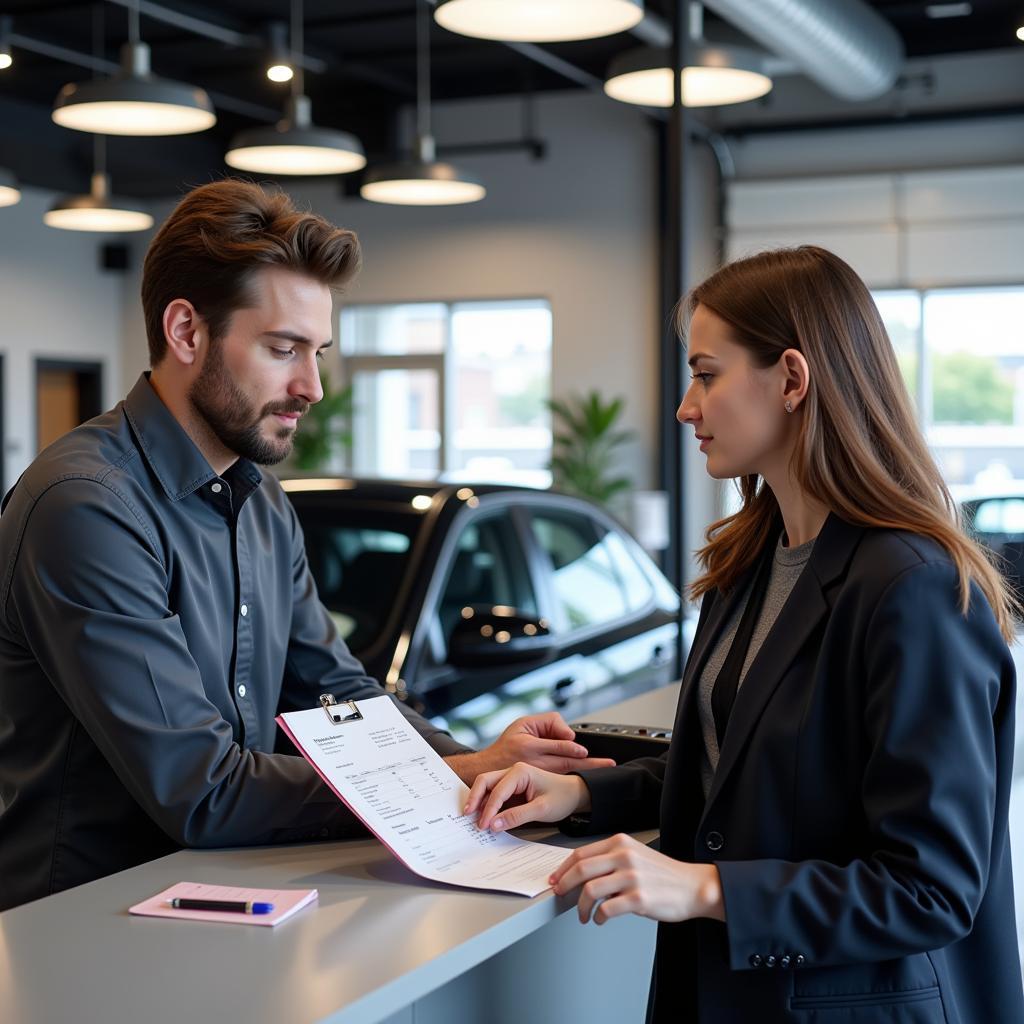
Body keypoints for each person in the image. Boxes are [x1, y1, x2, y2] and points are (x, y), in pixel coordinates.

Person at [0, 179, 612, 913]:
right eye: (283, 348)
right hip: (78, 925)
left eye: (316, 351)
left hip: (215, 903)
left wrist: (471, 764)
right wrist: (453, 776)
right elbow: (200, 788)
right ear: (187, 332)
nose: (313, 386)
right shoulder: (87, 507)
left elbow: (338, 693)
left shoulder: (258, 500)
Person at [466, 246, 1024, 1022]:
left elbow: (930, 886)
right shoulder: (749, 563)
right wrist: (579, 793)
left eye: (705, 374)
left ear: (792, 379)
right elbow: (746, 781)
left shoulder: (913, 587)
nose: (685, 409)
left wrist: (701, 886)